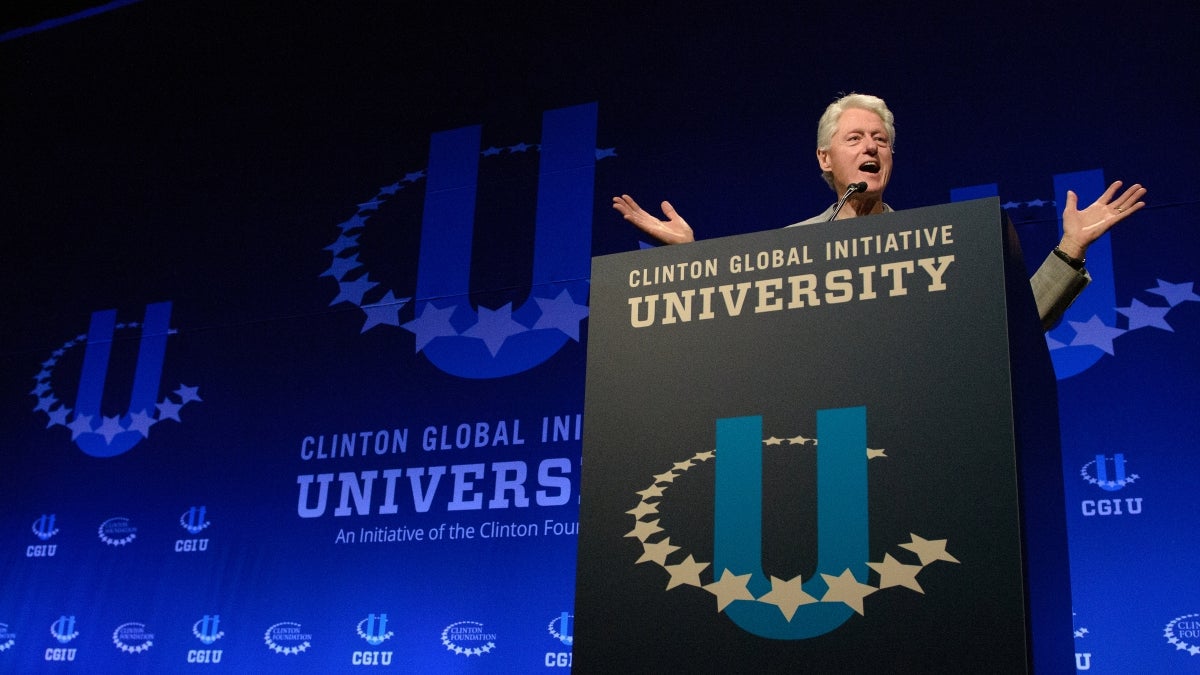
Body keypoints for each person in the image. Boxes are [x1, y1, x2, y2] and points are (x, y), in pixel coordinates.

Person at [613, 93, 1147, 329]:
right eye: (855, 139)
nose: (871, 148)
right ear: (826, 158)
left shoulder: (935, 245)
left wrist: (1069, 250)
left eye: (880, 140)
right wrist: (690, 260)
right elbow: (739, 321)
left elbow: (1010, 329)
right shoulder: (791, 247)